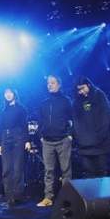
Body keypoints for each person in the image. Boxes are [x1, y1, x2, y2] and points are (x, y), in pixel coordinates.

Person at [37, 75, 73, 207]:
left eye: (52, 83)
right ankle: (48, 198)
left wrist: (70, 135)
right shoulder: (44, 103)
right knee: (48, 171)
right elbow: (40, 121)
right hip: (47, 142)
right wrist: (41, 136)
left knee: (66, 171)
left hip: (63, 140)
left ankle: (67, 199)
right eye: (48, 83)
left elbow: (73, 118)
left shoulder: (66, 101)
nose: (50, 85)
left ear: (59, 84)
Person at [72, 76, 110, 177]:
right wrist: (79, 138)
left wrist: (99, 137)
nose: (81, 91)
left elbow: (105, 118)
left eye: (83, 88)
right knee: (89, 175)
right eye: (78, 89)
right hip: (84, 147)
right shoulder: (76, 102)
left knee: (102, 174)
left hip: (101, 145)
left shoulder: (99, 96)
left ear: (89, 85)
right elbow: (76, 122)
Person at [0, 88, 32, 208]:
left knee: (17, 168)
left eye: (10, 92)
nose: (7, 95)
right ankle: (9, 197)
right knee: (6, 169)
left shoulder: (21, 109)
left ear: (14, 94)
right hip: (5, 137)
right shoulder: (3, 110)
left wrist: (27, 140)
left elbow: (25, 125)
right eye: (5, 93)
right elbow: (0, 127)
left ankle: (17, 197)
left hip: (18, 137)